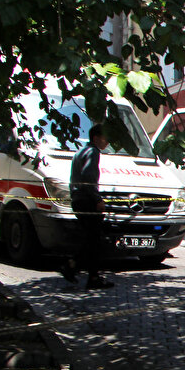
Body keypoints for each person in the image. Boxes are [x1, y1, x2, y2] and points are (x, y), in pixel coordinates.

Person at [60, 124, 115, 289]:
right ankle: (79, 269)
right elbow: (88, 177)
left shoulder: (80, 152)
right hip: (87, 200)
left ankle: (81, 270)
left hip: (78, 199)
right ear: (96, 138)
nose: (107, 141)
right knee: (95, 240)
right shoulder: (93, 152)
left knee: (91, 239)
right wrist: (97, 199)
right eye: (105, 138)